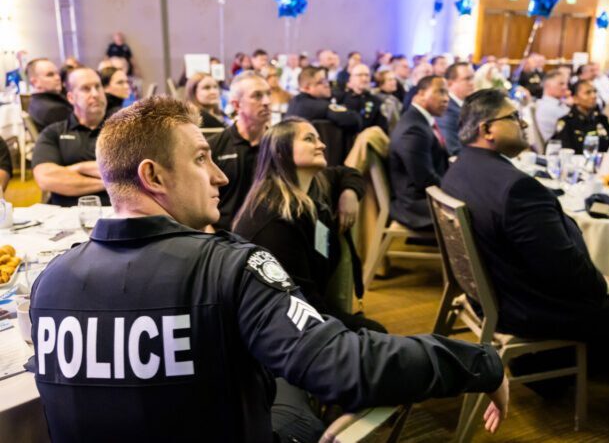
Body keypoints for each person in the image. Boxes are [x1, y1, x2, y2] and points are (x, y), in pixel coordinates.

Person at [30, 95, 508, 442]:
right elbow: (345, 367)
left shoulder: (47, 285)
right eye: (201, 160)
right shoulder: (231, 268)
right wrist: (479, 362)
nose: (219, 176)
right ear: (153, 176)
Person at [441, 88, 609, 368]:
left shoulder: (458, 169)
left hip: (490, 293)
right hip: (524, 307)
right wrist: (602, 284)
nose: (524, 123)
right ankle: (550, 367)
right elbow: (561, 267)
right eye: (515, 117)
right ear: (487, 129)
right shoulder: (518, 188)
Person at [233, 117, 385, 333]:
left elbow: (347, 173)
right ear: (281, 152)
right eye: (309, 139)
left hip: (309, 310)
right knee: (375, 332)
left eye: (319, 139)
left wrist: (349, 193)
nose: (321, 145)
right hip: (283, 328)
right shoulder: (275, 222)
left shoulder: (316, 185)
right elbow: (300, 303)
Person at [32, 67, 109, 207]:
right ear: (71, 97)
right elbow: (46, 178)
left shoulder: (124, 130)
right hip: (66, 216)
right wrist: (111, 183)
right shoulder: (54, 133)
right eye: (86, 89)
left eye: (98, 86)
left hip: (117, 212)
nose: (95, 93)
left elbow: (132, 172)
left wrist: (76, 168)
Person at [208, 71, 271, 231]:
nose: (267, 101)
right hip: (225, 239)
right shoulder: (215, 147)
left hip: (267, 237)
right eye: (257, 96)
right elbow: (197, 201)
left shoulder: (279, 145)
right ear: (237, 105)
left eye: (268, 94)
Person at [389, 75, 450, 230]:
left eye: (447, 93)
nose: (446, 99)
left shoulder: (419, 121)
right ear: (421, 94)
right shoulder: (414, 129)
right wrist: (457, 189)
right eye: (441, 92)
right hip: (417, 206)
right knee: (481, 212)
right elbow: (425, 180)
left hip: (425, 197)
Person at [285, 66, 361, 132]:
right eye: (322, 82)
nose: (327, 84)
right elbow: (354, 120)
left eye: (326, 80)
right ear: (307, 88)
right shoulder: (317, 106)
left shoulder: (296, 101)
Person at [554, 80, 609, 154]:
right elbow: (565, 151)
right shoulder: (567, 122)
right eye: (588, 93)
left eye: (595, 92)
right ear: (575, 99)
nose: (593, 96)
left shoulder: (602, 119)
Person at [335, 63, 389, 132]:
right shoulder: (341, 98)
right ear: (351, 79)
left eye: (367, 75)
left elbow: (382, 128)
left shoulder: (376, 101)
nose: (364, 78)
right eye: (360, 75)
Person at [436, 62, 475, 155]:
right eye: (467, 79)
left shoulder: (467, 103)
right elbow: (453, 149)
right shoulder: (446, 109)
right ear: (450, 83)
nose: (472, 83)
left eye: (473, 78)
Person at [26, 58, 73, 132]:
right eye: (50, 75)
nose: (58, 78)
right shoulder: (54, 110)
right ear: (35, 82)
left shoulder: (35, 101)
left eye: (57, 73)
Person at [535, 70, 571, 142]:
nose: (565, 87)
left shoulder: (556, 104)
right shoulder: (548, 107)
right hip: (555, 148)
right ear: (547, 85)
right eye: (561, 84)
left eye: (566, 84)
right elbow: (573, 125)